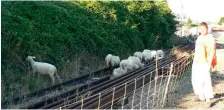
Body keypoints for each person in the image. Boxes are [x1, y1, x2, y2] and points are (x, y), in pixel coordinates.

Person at [191, 22, 217, 103]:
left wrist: (209, 63)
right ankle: (200, 95)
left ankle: (208, 98)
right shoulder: (199, 37)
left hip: (205, 62)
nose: (202, 30)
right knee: (196, 79)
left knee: (205, 80)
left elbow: (212, 51)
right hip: (196, 61)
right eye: (200, 28)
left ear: (207, 29)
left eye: (203, 28)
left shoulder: (210, 38)